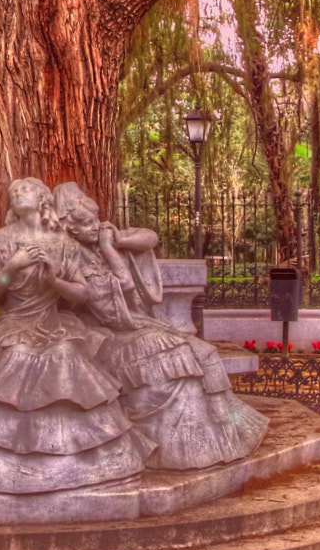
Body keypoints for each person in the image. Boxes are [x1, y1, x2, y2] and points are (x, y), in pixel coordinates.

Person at [52, 182, 268, 470]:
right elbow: (122, 288)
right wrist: (108, 247)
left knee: (201, 350)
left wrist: (116, 240)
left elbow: (149, 238)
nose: (96, 228)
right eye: (88, 224)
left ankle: (224, 433)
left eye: (96, 221)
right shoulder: (74, 256)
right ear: (71, 229)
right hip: (99, 331)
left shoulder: (100, 241)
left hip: (129, 324)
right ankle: (178, 447)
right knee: (168, 351)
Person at [0, 178, 149, 494]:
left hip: (54, 321)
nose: (17, 193)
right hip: (13, 321)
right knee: (17, 355)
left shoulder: (64, 245)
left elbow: (82, 294)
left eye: (25, 189)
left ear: (43, 198)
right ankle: (2, 466)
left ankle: (73, 462)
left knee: (64, 356)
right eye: (14, 192)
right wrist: (12, 265)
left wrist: (54, 281)